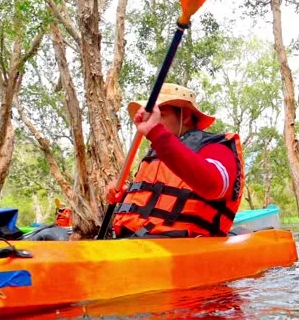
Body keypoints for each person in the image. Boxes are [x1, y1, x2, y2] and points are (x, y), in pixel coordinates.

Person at [105, 83, 244, 239]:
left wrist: (157, 134)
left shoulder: (217, 148)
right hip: (134, 245)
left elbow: (213, 185)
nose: (151, 120)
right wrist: (126, 196)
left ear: (185, 116)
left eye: (159, 114)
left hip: (183, 251)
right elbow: (158, 203)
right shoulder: (158, 153)